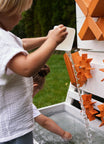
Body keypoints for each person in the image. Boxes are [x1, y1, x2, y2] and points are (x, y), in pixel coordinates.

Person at [0, 0, 68, 144]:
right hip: (14, 130)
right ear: (4, 10)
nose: (21, 17)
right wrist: (53, 42)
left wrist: (47, 39)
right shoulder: (1, 38)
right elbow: (26, 67)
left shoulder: (5, 36)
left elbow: (22, 43)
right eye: (19, 12)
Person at [32, 65, 72, 140]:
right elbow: (44, 122)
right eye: (37, 91)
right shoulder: (26, 105)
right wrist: (63, 133)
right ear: (34, 87)